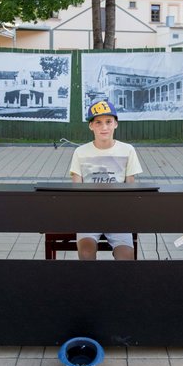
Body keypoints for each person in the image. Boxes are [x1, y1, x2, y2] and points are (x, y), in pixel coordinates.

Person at [70, 100, 143, 260]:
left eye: (108, 122)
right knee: (86, 253)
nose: (104, 127)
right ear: (91, 126)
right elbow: (76, 189)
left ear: (116, 124)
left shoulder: (127, 150)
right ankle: (92, 285)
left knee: (126, 256)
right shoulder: (80, 152)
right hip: (88, 214)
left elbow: (131, 186)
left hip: (118, 214)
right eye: (98, 122)